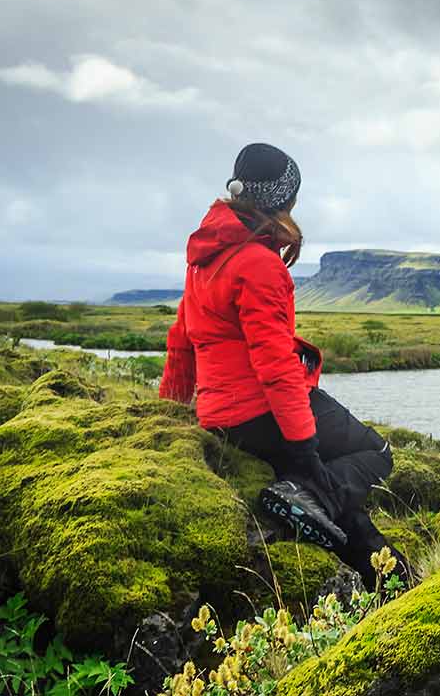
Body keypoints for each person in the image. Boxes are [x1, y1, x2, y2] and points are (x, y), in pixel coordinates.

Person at [159, 142, 409, 584]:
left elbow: (181, 341)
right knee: (376, 453)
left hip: (221, 419)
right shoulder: (259, 265)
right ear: (281, 200)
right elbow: (274, 365)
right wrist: (304, 448)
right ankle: (306, 493)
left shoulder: (205, 257)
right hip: (263, 412)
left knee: (324, 493)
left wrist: (173, 413)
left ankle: (392, 583)